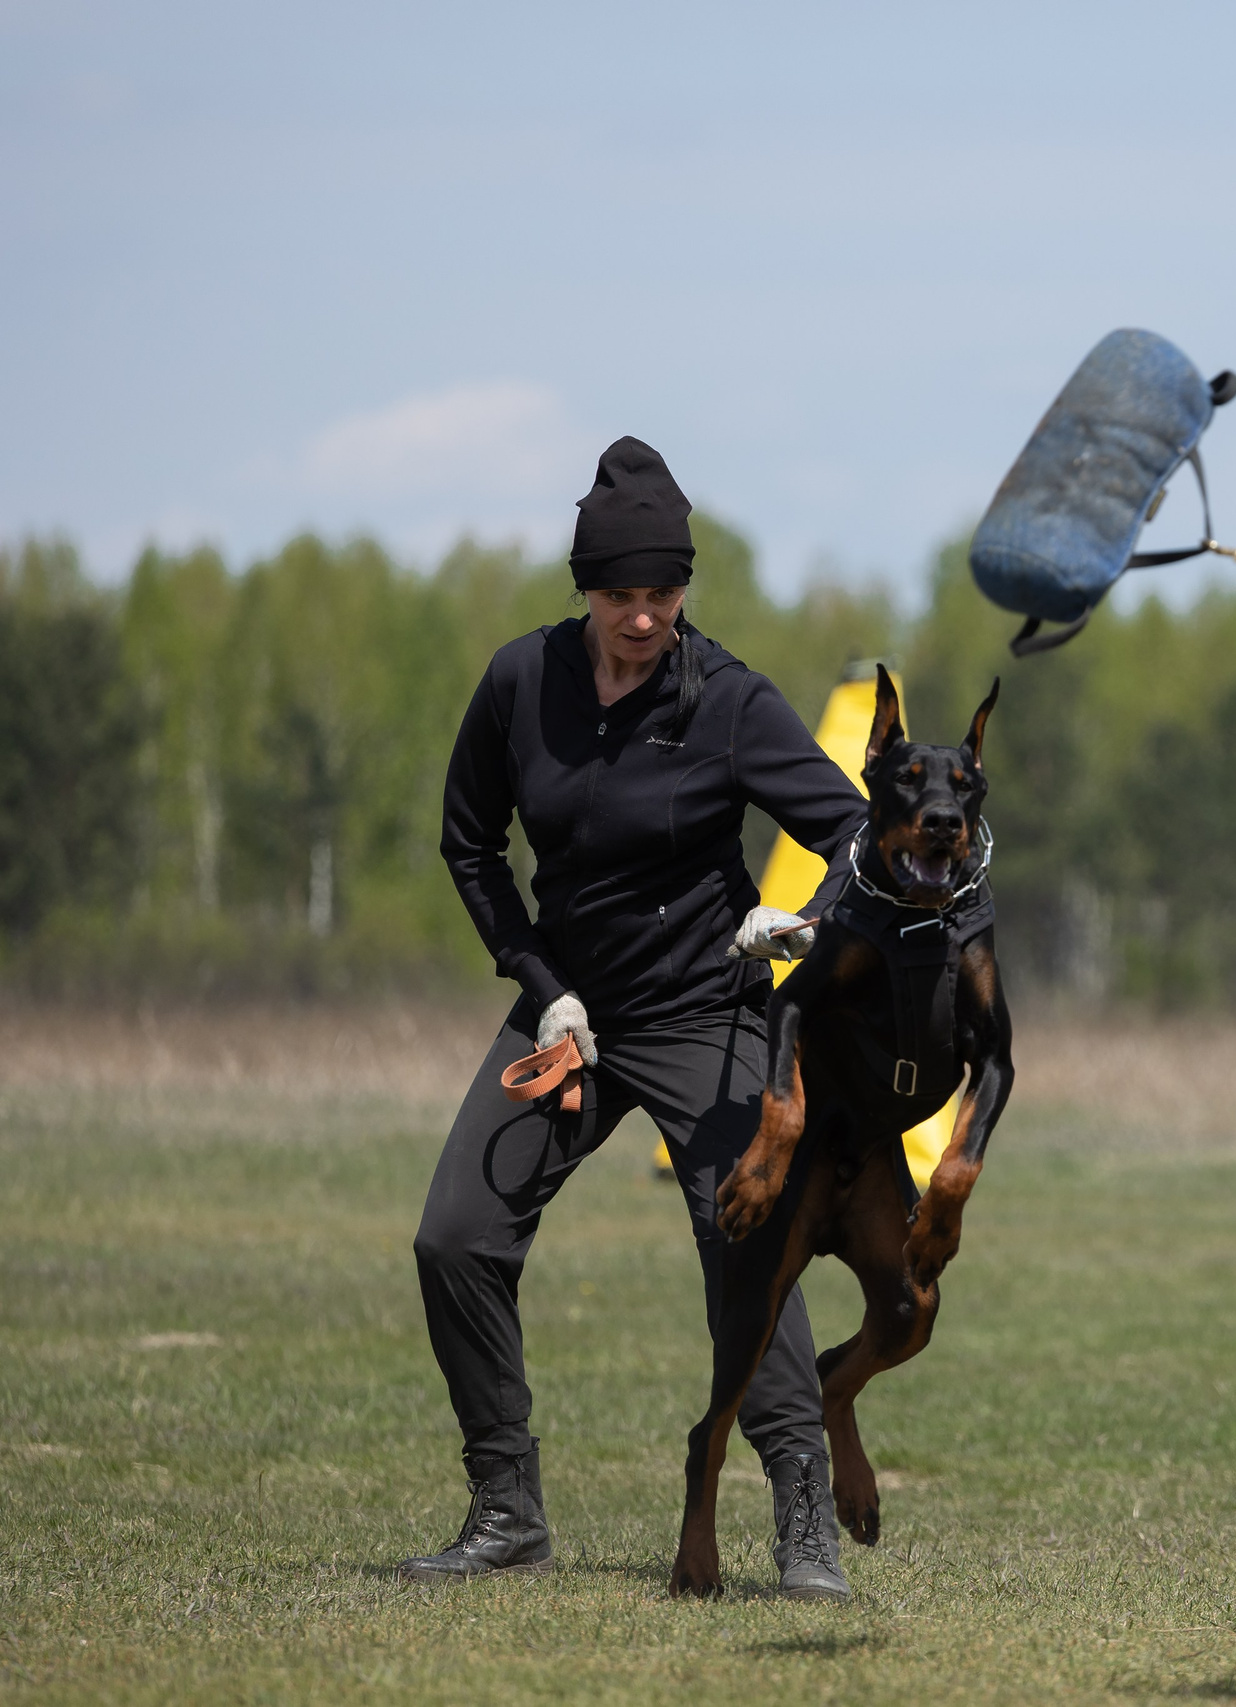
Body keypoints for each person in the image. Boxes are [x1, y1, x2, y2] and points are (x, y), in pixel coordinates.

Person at [401, 437, 868, 1600]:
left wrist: (797, 925)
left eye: (663, 595)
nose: (645, 617)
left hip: (702, 1005)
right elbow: (469, 844)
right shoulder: (521, 683)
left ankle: (802, 1512)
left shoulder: (730, 701)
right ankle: (505, 1509)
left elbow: (855, 834)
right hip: (565, 1011)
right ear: (587, 591)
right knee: (454, 1238)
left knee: (746, 1245)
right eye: (623, 595)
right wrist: (535, 977)